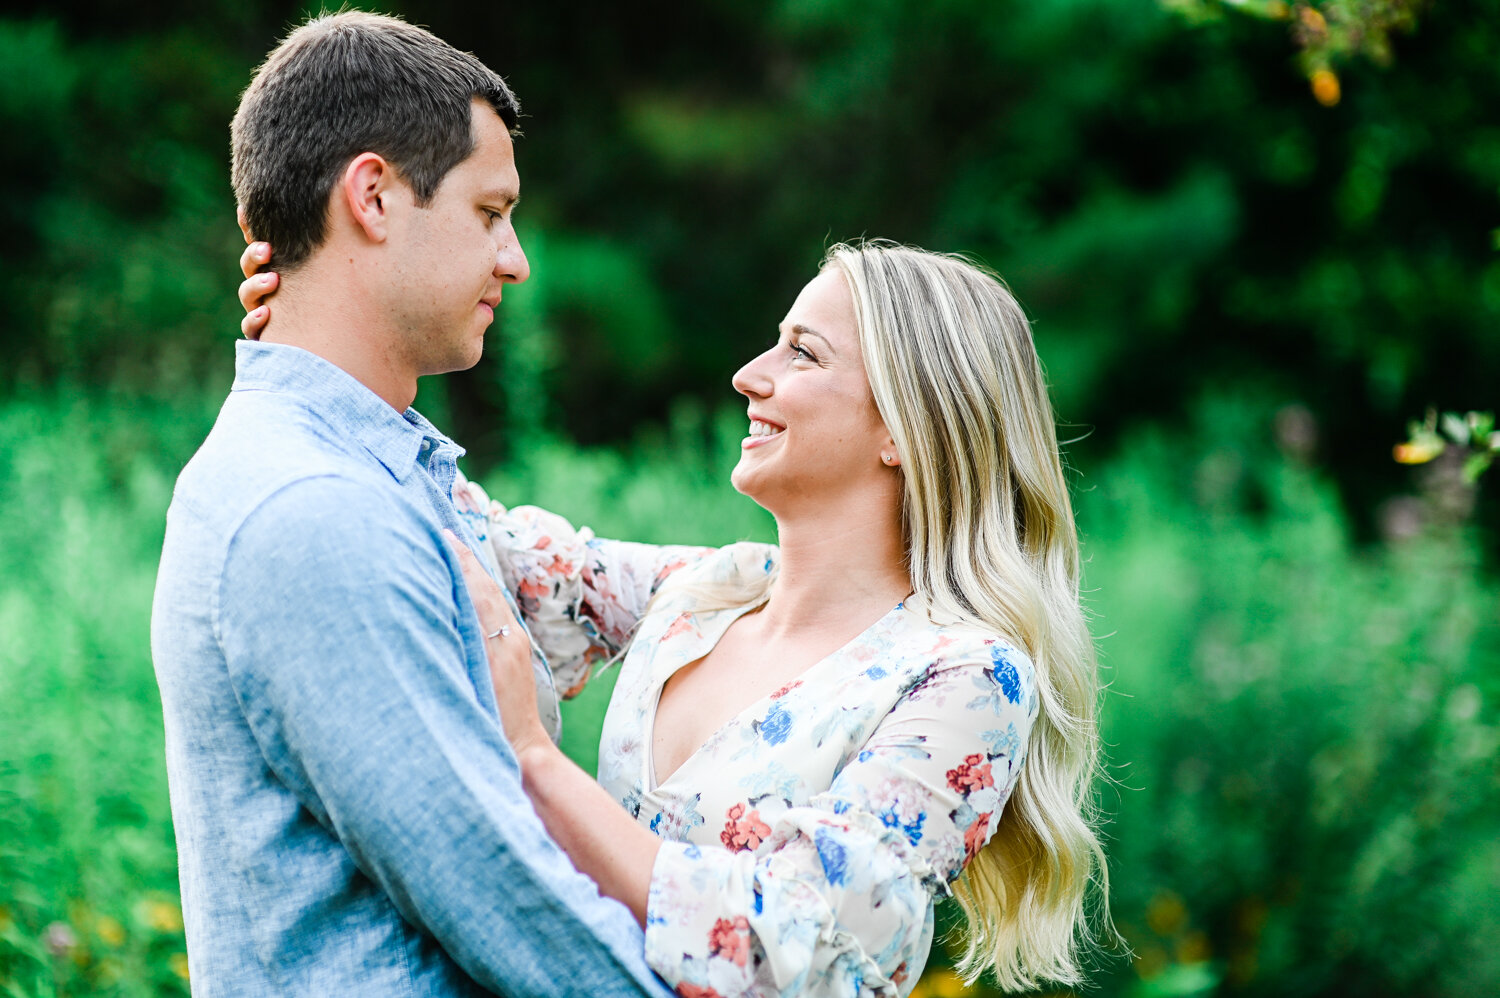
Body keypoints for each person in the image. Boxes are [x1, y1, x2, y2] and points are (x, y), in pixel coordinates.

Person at [239, 240, 1112, 995]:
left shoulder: (965, 676)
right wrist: (324, 327)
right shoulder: (707, 595)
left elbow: (794, 956)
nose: (749, 375)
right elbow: (468, 539)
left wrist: (537, 761)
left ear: (904, 425)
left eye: (802, 354)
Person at [152, 11, 674, 996]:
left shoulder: (376, 472)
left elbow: (623, 584)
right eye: (490, 212)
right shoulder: (313, 507)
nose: (515, 258)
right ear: (376, 196)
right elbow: (501, 892)